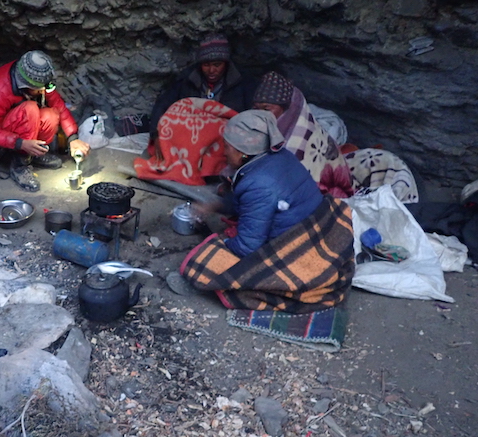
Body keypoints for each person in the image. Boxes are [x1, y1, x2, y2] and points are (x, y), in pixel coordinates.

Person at [179, 110, 355, 312]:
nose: (224, 152)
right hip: (314, 220)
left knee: (204, 262)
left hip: (301, 245)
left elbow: (247, 246)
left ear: (242, 152)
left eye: (227, 147)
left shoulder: (258, 183)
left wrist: (223, 242)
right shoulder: (280, 157)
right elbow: (250, 203)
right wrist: (214, 206)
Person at [134, 35, 256, 186]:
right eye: (206, 65)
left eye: (217, 65)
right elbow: (164, 105)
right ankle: (187, 166)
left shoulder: (241, 83)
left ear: (226, 63)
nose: (211, 70)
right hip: (190, 136)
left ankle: (209, 171)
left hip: (221, 139)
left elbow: (247, 117)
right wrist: (157, 135)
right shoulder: (187, 79)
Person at [0, 50, 91, 192]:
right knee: (30, 109)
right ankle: (20, 165)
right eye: (39, 89)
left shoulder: (39, 81)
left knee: (51, 115)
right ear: (25, 86)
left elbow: (58, 106)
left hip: (17, 123)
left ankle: (34, 154)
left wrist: (73, 138)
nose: (43, 92)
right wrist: (20, 143)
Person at [251, 71, 353, 198]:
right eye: (256, 109)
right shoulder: (264, 131)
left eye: (266, 109)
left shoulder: (301, 141)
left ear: (286, 109)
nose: (260, 115)